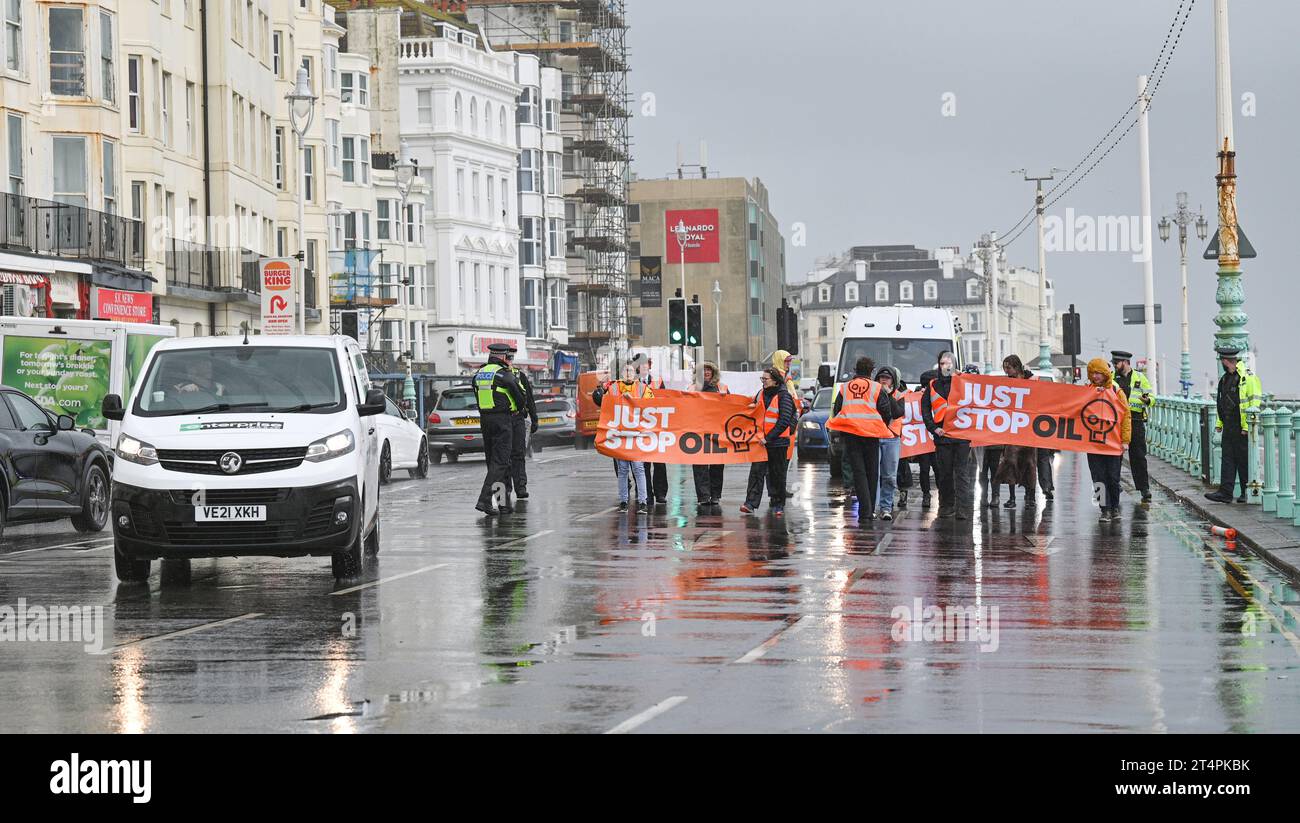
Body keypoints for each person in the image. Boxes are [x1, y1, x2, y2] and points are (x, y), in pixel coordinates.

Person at [828, 357, 900, 525]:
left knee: (859, 474)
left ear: (855, 370)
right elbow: (886, 411)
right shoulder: (876, 388)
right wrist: (877, 424)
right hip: (871, 436)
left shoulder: (845, 388)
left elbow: (838, 410)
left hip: (852, 436)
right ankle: (869, 510)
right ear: (871, 371)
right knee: (872, 473)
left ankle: (865, 511)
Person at [474, 343, 527, 516]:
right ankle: (484, 499)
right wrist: (518, 408)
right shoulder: (504, 375)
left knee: (494, 463)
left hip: (485, 420)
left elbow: (476, 393)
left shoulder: (479, 374)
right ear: (503, 357)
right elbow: (520, 397)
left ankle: (503, 504)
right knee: (502, 462)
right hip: (503, 420)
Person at [1205, 346, 1263, 504]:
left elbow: (1255, 402)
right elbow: (1221, 404)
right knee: (1228, 459)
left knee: (1243, 460)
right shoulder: (1224, 379)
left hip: (1241, 426)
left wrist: (1246, 427)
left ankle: (1245, 492)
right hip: (1229, 426)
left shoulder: (1248, 377)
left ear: (1225, 361)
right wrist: (1219, 423)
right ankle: (1225, 493)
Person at [921, 351, 973, 519]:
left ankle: (963, 509)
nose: (946, 366)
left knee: (961, 474)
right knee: (945, 474)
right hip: (942, 438)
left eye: (949, 363)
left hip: (961, 437)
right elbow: (925, 410)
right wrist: (933, 429)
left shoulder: (964, 382)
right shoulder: (933, 385)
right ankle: (946, 506)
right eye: (942, 363)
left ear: (955, 364)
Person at [742, 367, 795, 517]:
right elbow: (755, 411)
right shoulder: (760, 394)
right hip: (761, 442)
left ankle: (778, 504)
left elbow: (784, 420)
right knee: (756, 472)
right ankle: (750, 503)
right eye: (762, 379)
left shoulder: (784, 396)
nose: (763, 382)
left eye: (766, 379)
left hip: (777, 442)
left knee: (776, 474)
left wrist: (768, 438)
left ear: (775, 380)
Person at [1084, 357, 1132, 521]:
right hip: (1094, 444)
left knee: (1113, 477)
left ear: (1105, 373)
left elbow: (1126, 416)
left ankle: (1115, 507)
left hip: (1113, 443)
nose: (1096, 376)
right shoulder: (1087, 391)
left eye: (1098, 372)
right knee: (1098, 478)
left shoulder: (1116, 391)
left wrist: (1125, 440)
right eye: (1093, 373)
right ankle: (1104, 509)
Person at [993, 355, 1038, 507]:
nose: (1006, 371)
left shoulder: (1031, 380)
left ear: (1016, 366)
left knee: (1030, 463)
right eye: (1005, 368)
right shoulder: (1006, 383)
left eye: (1008, 367)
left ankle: (1030, 496)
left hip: (1028, 429)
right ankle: (1012, 498)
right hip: (1012, 428)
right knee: (1010, 461)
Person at [606, 365, 651, 513]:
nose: (628, 374)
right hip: (621, 434)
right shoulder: (613, 388)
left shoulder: (642, 388)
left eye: (630, 371)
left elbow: (652, 405)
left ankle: (643, 501)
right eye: (625, 371)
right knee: (623, 469)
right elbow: (605, 403)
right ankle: (623, 501)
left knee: (638, 468)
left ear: (635, 373)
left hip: (636, 434)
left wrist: (633, 401)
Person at [1111, 350, 1154, 503]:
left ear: (1125, 362)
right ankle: (1115, 485)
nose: (1114, 365)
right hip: (1118, 421)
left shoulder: (1140, 377)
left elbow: (1152, 397)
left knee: (1138, 456)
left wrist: (1147, 401)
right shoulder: (1111, 378)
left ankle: (1144, 488)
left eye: (1116, 362)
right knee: (1115, 456)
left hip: (1136, 420)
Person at [631, 352, 669, 505]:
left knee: (659, 463)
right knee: (641, 465)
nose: (643, 367)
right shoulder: (630, 383)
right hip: (638, 429)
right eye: (640, 364)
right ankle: (645, 493)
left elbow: (666, 401)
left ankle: (660, 493)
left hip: (656, 428)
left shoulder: (658, 381)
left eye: (646, 364)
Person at [505, 346, 540, 500]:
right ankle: (505, 491)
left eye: (511, 358)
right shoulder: (496, 374)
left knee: (518, 454)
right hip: (502, 419)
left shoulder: (519, 375)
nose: (509, 361)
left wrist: (534, 418)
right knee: (503, 458)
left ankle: (520, 488)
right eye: (507, 358)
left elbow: (529, 399)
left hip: (517, 419)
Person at [691, 362, 727, 506]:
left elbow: (732, 407)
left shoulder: (722, 388)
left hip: (717, 432)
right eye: (703, 370)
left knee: (717, 464)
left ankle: (715, 495)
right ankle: (703, 496)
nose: (706, 372)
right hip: (698, 432)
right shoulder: (692, 388)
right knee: (700, 465)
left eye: (708, 370)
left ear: (713, 372)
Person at [873, 365, 906, 521]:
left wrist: (888, 395)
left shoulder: (899, 395)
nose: (884, 380)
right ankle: (872, 508)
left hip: (892, 438)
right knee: (874, 475)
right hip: (875, 436)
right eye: (881, 378)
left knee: (889, 476)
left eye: (887, 378)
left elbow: (897, 412)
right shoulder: (872, 393)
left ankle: (886, 507)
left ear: (893, 381)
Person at [911, 367, 938, 508]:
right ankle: (926, 494)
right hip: (923, 439)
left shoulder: (938, 394)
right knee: (925, 469)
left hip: (935, 438)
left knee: (938, 468)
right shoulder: (916, 396)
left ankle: (940, 494)